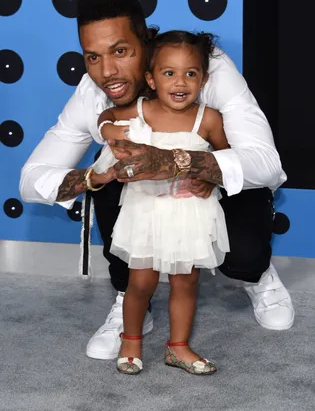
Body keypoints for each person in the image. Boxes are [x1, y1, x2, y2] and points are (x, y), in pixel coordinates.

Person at [19, 0, 294, 363]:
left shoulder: (200, 65)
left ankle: (257, 275)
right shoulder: (92, 93)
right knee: (111, 169)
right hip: (143, 203)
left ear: (146, 41)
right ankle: (130, 297)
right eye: (92, 57)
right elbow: (31, 179)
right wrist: (92, 178)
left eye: (120, 51)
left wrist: (181, 163)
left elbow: (266, 162)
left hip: (205, 195)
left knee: (243, 253)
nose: (107, 72)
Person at [97, 29, 230, 375]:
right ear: (151, 79)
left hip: (189, 213)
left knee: (186, 282)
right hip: (146, 210)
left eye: (191, 73)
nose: (180, 82)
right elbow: (105, 118)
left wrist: (210, 175)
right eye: (169, 73)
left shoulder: (209, 119)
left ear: (203, 78)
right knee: (140, 283)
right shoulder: (139, 109)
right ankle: (131, 340)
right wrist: (108, 130)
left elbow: (229, 158)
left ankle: (179, 347)